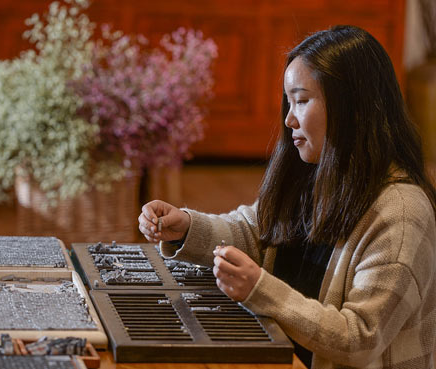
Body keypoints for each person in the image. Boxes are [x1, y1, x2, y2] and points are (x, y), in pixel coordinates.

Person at [138, 25, 436, 369]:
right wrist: (188, 227)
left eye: (303, 101)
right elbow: (255, 230)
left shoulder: (401, 212)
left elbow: (358, 340)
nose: (289, 118)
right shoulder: (315, 170)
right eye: (289, 101)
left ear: (353, 107)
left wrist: (260, 289)